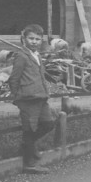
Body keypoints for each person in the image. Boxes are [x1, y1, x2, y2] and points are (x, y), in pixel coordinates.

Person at [8, 24, 56, 174]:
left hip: (41, 97)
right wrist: (18, 98)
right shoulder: (21, 56)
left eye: (37, 39)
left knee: (48, 124)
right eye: (31, 38)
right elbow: (14, 79)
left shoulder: (37, 55)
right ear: (24, 39)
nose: (34, 42)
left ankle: (27, 145)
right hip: (27, 99)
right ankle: (29, 164)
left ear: (41, 40)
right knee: (29, 129)